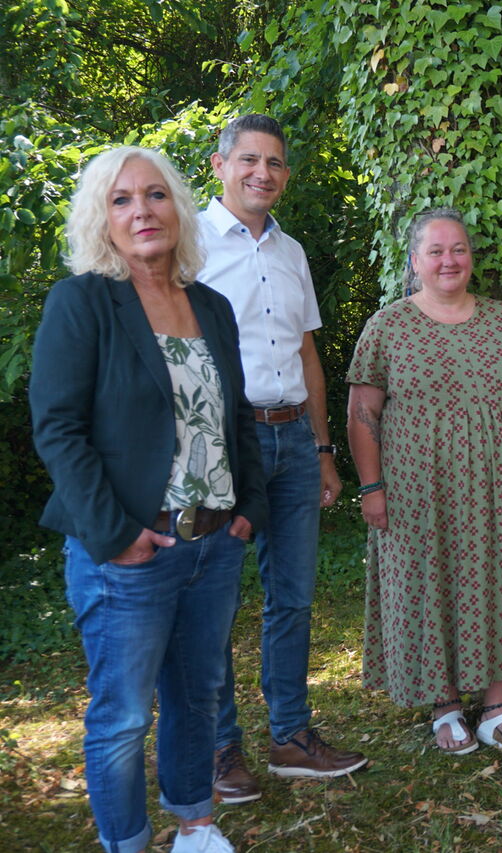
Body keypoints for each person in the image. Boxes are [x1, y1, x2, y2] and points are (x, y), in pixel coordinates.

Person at [30, 146, 268, 853]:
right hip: (129, 553)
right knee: (124, 716)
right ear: (101, 219)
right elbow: (58, 427)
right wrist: (115, 533)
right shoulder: (83, 302)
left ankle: (195, 822)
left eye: (156, 195)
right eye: (122, 199)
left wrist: (246, 508)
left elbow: (237, 416)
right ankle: (126, 842)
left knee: (197, 698)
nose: (143, 211)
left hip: (213, 546)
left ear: (179, 208)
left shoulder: (211, 306)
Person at [347, 208, 502, 759]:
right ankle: (442, 704)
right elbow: (362, 411)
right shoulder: (388, 326)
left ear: (471, 258)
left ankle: (496, 707)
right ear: (415, 261)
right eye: (436, 251)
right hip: (419, 493)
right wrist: (371, 488)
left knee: (501, 581)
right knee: (426, 584)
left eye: (458, 249)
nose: (449, 260)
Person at [199, 114, 365, 803]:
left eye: (273, 163)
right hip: (221, 439)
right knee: (212, 599)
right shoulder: (189, 244)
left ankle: (291, 736)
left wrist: (325, 450)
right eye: (248, 160)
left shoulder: (291, 251)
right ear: (220, 165)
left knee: (292, 596)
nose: (261, 173)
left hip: (294, 438)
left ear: (285, 175)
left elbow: (306, 353)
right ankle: (217, 749)